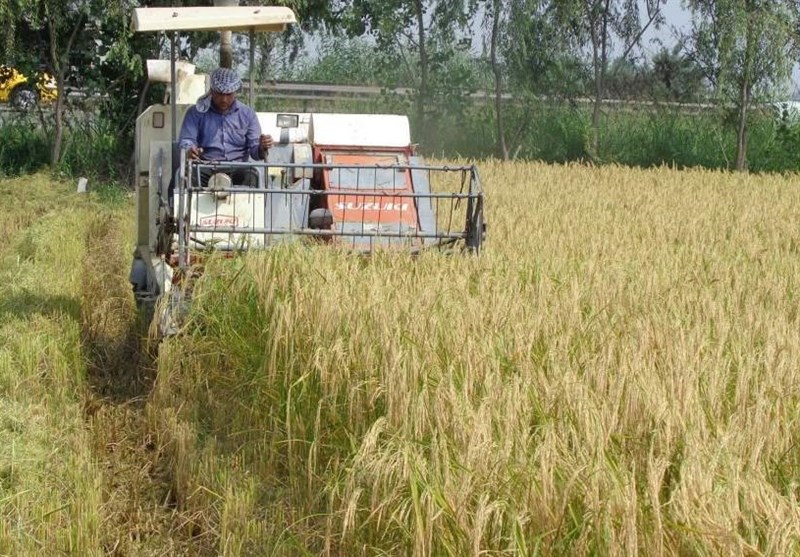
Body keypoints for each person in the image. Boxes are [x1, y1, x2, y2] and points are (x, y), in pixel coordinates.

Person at [178, 67, 273, 188]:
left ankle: (245, 207)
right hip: (205, 167)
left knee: (252, 176)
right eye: (219, 94)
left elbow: (255, 152)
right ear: (211, 91)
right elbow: (187, 140)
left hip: (238, 169)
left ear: (235, 92)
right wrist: (190, 150)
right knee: (188, 177)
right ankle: (188, 207)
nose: (224, 99)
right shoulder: (196, 112)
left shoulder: (247, 114)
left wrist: (261, 146)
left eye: (228, 94)